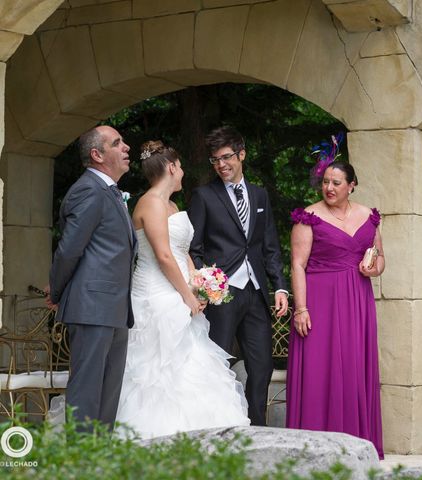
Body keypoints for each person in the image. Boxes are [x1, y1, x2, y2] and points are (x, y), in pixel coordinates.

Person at [115, 140, 249, 439]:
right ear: (172, 167)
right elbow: (163, 255)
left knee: (192, 365)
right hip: (155, 295)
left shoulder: (172, 205)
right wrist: (187, 295)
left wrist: (199, 281)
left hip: (178, 291)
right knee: (157, 371)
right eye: (181, 167)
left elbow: (181, 250)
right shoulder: (149, 203)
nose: (183, 172)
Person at [188, 126, 288, 427]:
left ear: (241, 154)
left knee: (262, 367)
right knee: (217, 362)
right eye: (215, 160)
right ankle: (214, 426)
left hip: (255, 292)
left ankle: (255, 428)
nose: (221, 165)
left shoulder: (259, 195)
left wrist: (279, 288)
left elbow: (269, 246)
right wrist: (208, 285)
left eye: (227, 157)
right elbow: (194, 248)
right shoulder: (204, 196)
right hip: (222, 293)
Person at [286, 157, 385, 459]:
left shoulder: (370, 217)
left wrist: (374, 269)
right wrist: (301, 308)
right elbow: (297, 265)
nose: (328, 187)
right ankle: (314, 446)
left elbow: (380, 258)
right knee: (320, 368)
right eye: (325, 182)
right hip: (320, 299)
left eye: (336, 183)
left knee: (354, 365)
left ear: (351, 186)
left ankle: (355, 443)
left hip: (357, 298)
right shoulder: (309, 217)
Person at [48, 125, 137, 429]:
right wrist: (57, 292)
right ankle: (81, 464)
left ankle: (101, 463)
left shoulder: (109, 191)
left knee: (108, 395)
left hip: (114, 309)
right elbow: (68, 250)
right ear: (97, 155)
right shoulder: (88, 189)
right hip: (91, 307)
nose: (126, 147)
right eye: (117, 143)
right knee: (86, 394)